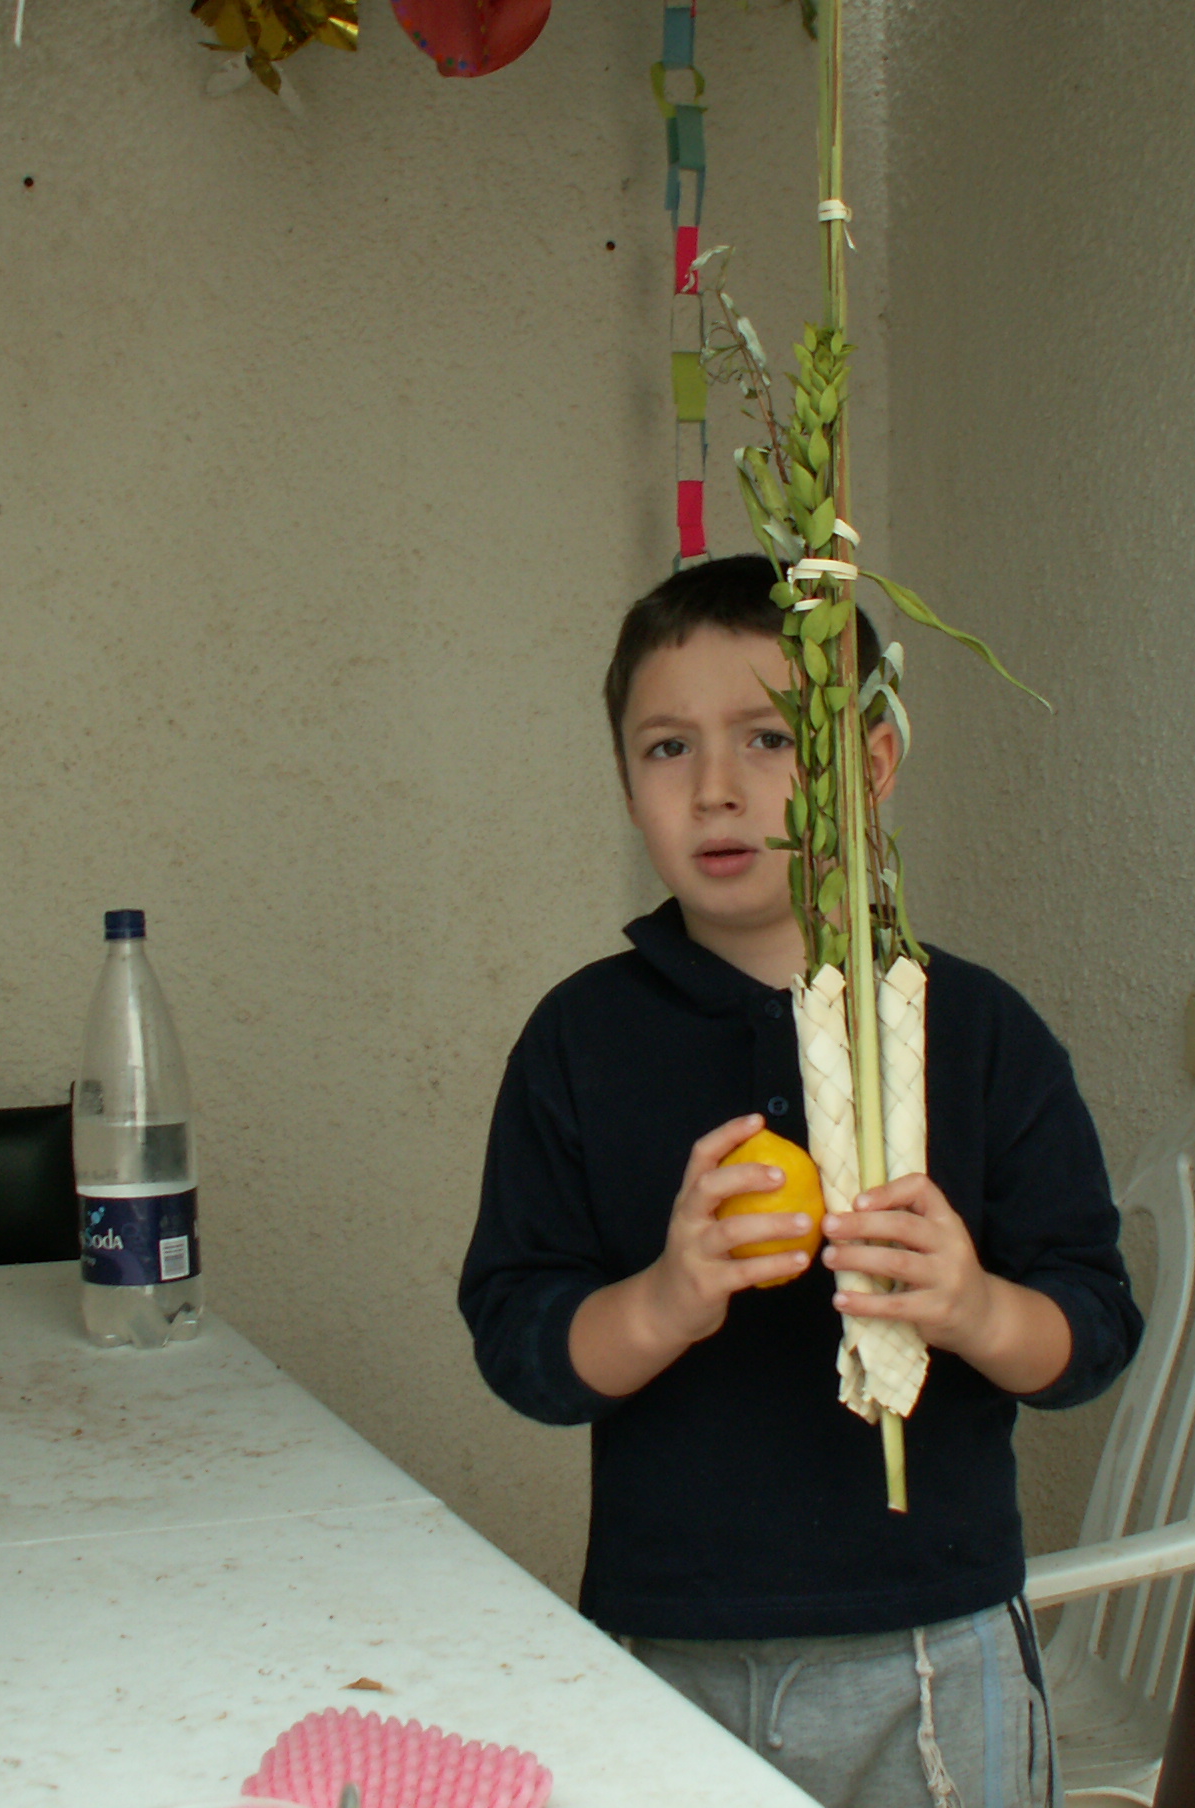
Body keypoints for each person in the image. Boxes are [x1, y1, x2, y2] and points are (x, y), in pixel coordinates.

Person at [458, 554, 1142, 1808]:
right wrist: (666, 1298)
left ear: (868, 767)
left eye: (770, 738)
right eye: (667, 748)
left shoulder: (971, 1030)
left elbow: (1090, 1332)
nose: (716, 789)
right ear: (625, 784)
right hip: (666, 1647)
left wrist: (971, 1306)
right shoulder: (580, 1040)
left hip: (935, 1650)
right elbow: (520, 1348)